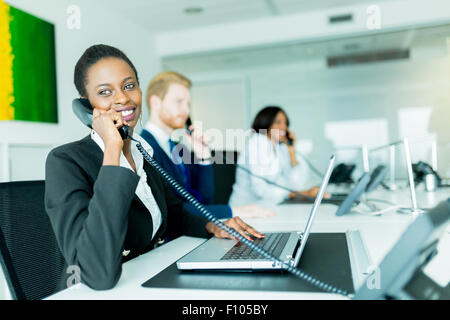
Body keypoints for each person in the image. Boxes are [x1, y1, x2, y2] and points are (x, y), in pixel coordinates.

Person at [44, 44, 264, 291]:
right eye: (105, 92)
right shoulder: (65, 161)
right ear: (86, 105)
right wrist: (113, 150)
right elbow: (97, 274)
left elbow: (174, 217)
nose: (123, 98)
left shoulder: (143, 153)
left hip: (146, 282)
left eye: (129, 86)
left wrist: (213, 226)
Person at [141, 71, 275, 219]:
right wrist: (232, 211)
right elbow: (170, 210)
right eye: (179, 101)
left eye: (188, 104)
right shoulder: (142, 148)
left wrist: (204, 157)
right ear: (155, 102)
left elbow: (203, 200)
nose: (186, 110)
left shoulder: (178, 149)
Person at [229, 106, 322, 206]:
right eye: (278, 122)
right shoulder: (256, 145)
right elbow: (260, 189)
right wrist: (296, 194)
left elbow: (295, 183)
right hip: (245, 208)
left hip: (270, 205)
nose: (284, 127)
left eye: (286, 123)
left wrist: (291, 151)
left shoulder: (278, 148)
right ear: (266, 123)